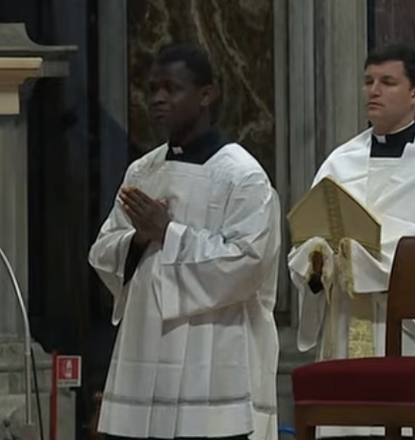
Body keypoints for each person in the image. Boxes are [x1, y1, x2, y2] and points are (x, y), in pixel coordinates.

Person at [288, 43, 415, 439]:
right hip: (347, 325)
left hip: (414, 339)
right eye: (368, 81)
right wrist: (318, 261)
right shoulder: (338, 162)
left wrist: (363, 259)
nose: (373, 90)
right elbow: (307, 242)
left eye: (387, 82)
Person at [89, 43, 282, 440]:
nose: (158, 98)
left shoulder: (242, 175)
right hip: (144, 351)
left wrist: (168, 233)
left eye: (172, 89)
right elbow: (102, 252)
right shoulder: (143, 170)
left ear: (206, 95)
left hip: (212, 359)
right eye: (153, 88)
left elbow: (248, 264)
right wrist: (137, 240)